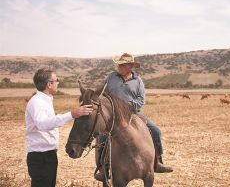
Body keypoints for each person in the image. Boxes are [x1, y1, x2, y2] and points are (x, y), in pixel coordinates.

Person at [95, 53, 173, 181]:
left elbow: (141, 100)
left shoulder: (138, 80)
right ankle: (103, 168)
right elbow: (103, 94)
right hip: (113, 115)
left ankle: (157, 162)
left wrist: (130, 105)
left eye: (122, 65)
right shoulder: (111, 77)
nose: (119, 67)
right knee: (102, 135)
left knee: (155, 131)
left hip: (133, 113)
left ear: (130, 66)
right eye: (118, 64)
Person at [25, 68, 93, 187]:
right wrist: (72, 114)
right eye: (57, 80)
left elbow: (49, 122)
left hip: (47, 155)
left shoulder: (45, 100)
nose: (58, 83)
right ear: (49, 84)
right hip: (40, 157)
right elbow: (42, 124)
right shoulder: (37, 102)